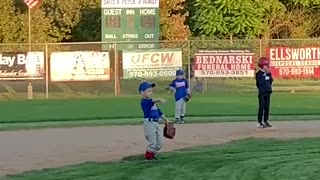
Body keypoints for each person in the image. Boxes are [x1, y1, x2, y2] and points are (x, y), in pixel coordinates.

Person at [139, 81, 169, 160]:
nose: (150, 92)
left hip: (156, 123)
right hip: (149, 123)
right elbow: (151, 100)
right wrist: (159, 99)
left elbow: (159, 112)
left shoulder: (153, 103)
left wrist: (166, 120)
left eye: (151, 91)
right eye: (148, 91)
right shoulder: (144, 102)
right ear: (142, 93)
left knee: (159, 143)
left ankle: (151, 154)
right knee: (153, 142)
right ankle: (148, 158)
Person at [255, 57, 273, 128]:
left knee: (267, 107)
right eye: (265, 65)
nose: (267, 67)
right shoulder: (259, 74)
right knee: (261, 107)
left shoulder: (268, 73)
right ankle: (259, 122)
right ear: (261, 65)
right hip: (262, 93)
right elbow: (260, 82)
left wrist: (269, 75)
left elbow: (270, 81)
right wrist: (265, 74)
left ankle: (265, 121)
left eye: (267, 65)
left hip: (268, 92)